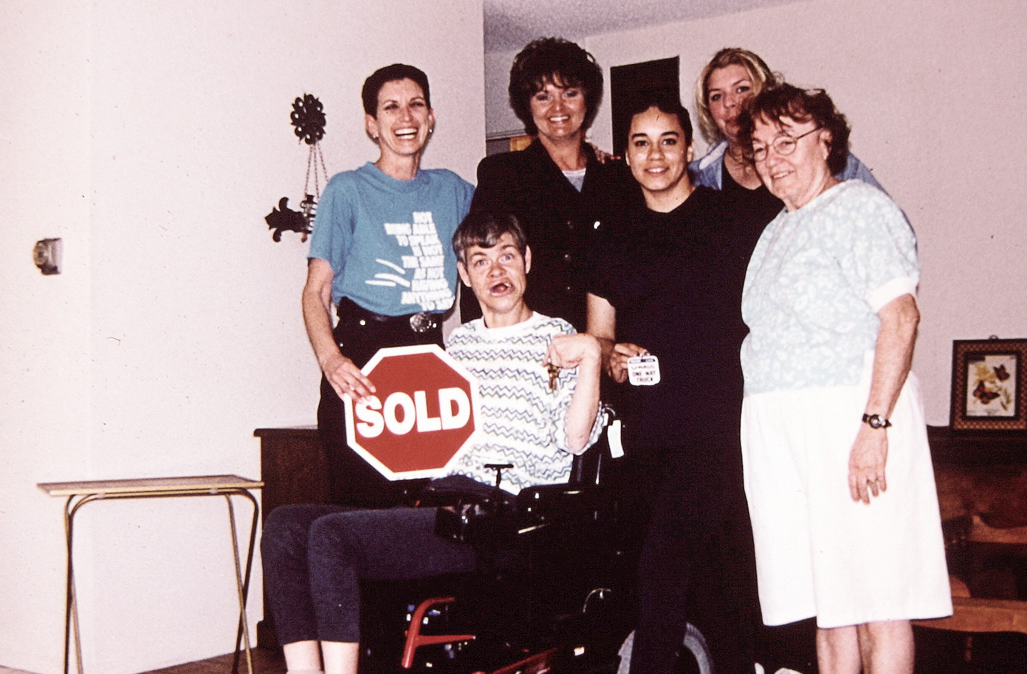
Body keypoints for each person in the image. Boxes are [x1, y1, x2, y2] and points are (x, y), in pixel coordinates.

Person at [264, 211, 606, 674]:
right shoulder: (456, 346)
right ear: (464, 275)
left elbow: (577, 439)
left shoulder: (558, 337)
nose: (497, 272)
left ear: (527, 260)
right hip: (442, 502)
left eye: (507, 256)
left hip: (504, 518)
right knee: (285, 525)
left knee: (333, 536)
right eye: (480, 262)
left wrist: (589, 354)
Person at [738, 83, 951, 674]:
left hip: (851, 427)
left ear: (826, 139)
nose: (772, 158)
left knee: (878, 598)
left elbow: (900, 316)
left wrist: (874, 427)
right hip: (786, 436)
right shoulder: (777, 228)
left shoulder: (860, 208)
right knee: (827, 606)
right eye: (760, 148)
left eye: (786, 140)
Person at [587, 93, 761, 674]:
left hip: (721, 432)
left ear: (689, 148)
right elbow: (600, 336)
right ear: (626, 156)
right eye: (641, 142)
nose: (655, 155)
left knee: (681, 574)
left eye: (668, 141)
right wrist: (611, 358)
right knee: (685, 583)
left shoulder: (732, 222)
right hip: (644, 439)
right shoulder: (611, 236)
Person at [301, 64, 474, 507]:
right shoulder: (347, 190)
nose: (406, 117)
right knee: (365, 515)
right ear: (371, 124)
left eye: (416, 105)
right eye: (391, 107)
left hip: (431, 363)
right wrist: (330, 360)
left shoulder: (453, 190)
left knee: (427, 516)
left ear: (431, 117)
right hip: (363, 362)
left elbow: (510, 228)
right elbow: (316, 290)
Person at [466, 37, 635, 332]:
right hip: (533, 350)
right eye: (543, 96)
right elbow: (480, 265)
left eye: (570, 93)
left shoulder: (619, 177)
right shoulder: (503, 175)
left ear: (588, 100)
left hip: (611, 349)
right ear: (527, 106)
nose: (558, 107)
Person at [690, 47, 884, 194]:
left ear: (764, 91)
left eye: (742, 89)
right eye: (716, 96)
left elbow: (888, 228)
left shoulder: (823, 155)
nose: (730, 102)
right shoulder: (697, 177)